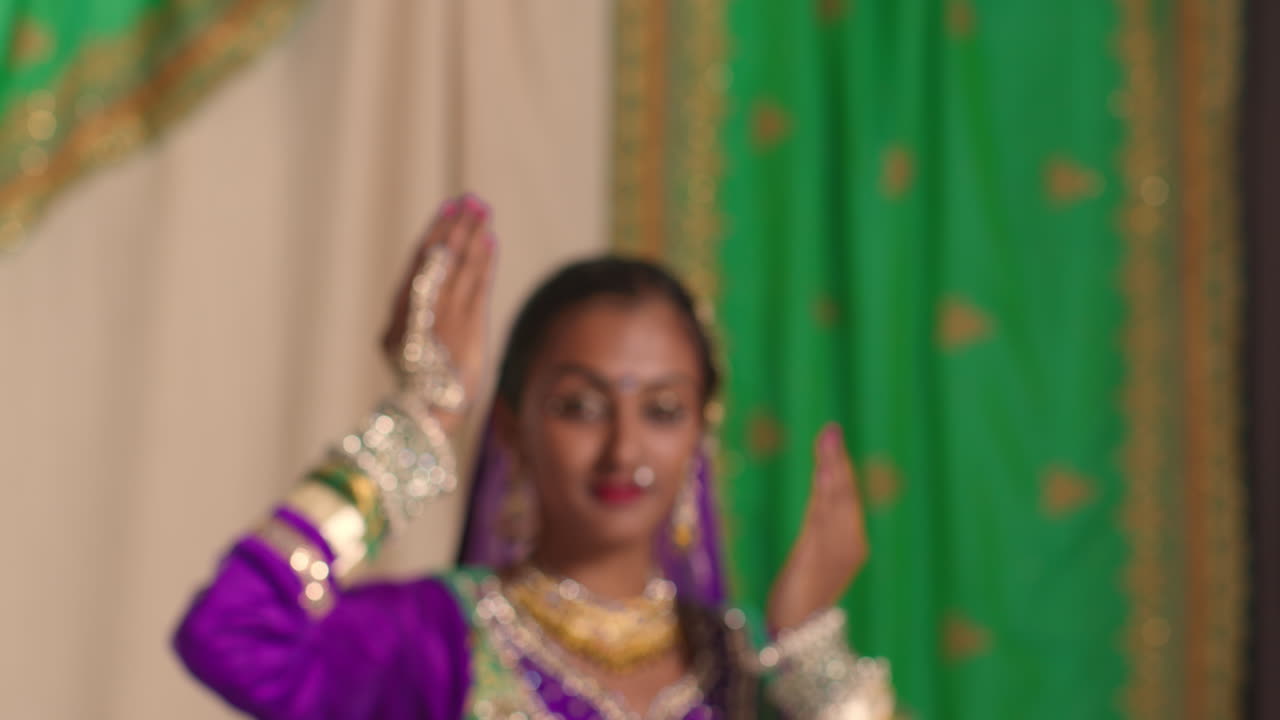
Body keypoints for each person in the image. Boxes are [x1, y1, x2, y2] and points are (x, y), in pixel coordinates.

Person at [174, 194, 894, 719]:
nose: (624, 446)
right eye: (580, 405)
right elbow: (230, 632)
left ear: (699, 436)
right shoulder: (428, 643)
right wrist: (420, 420)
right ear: (515, 431)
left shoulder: (747, 675)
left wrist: (810, 645)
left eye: (663, 410)